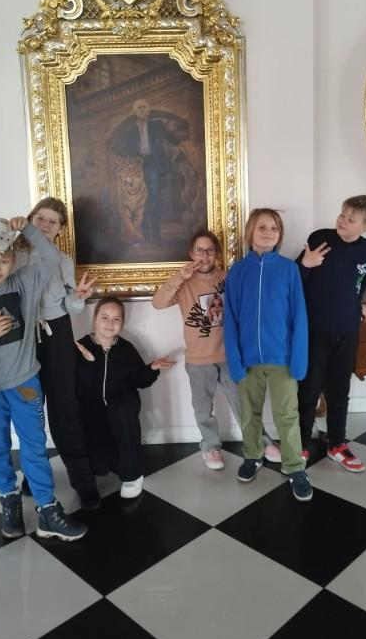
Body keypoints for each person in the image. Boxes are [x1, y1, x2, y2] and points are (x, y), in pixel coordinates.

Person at [0, 217, 87, 542]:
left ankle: (47, 509)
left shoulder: (24, 283)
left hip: (26, 383)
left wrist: (27, 229)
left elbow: (51, 258)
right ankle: (9, 502)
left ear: (13, 259)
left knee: (34, 447)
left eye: (3, 260)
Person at [152, 230, 281, 471]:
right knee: (203, 408)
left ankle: (261, 440)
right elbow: (158, 303)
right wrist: (179, 277)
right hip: (198, 359)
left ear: (217, 254)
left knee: (244, 403)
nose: (205, 255)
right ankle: (210, 445)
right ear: (191, 253)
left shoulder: (228, 277)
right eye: (199, 250)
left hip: (230, 355)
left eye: (210, 250)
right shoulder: (184, 282)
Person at [15, 197, 100, 511]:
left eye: (52, 221)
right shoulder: (14, 254)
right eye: (40, 218)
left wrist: (78, 298)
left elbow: (70, 307)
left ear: (61, 229)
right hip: (23, 336)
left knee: (64, 408)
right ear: (30, 219)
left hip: (57, 333)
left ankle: (83, 481)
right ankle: (33, 474)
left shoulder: (63, 261)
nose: (45, 225)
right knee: (30, 408)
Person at [224, 209, 312, 502]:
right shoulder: (238, 271)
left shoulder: (288, 270)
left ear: (280, 234)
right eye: (262, 227)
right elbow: (231, 319)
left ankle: (295, 467)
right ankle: (252, 455)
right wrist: (235, 361)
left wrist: (298, 360)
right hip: (248, 361)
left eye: (274, 228)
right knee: (249, 414)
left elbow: (299, 316)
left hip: (282, 360)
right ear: (250, 232)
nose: (268, 232)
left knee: (287, 415)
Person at [297, 195, 366, 472]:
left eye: (351, 219)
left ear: (365, 226)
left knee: (340, 390)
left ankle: (337, 444)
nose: (342, 220)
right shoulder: (320, 238)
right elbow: (295, 280)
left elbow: (360, 284)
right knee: (309, 389)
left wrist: (357, 305)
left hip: (347, 330)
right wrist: (304, 265)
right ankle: (301, 443)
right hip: (315, 330)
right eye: (342, 214)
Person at [75, 298, 175, 498]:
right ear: (95, 319)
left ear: (122, 322)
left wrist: (152, 368)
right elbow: (75, 385)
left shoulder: (125, 348)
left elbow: (139, 380)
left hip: (122, 403)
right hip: (92, 407)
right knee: (99, 466)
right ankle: (108, 461)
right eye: (104, 317)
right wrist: (88, 362)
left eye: (116, 319)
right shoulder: (81, 346)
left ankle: (132, 474)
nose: (110, 323)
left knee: (122, 411)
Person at [107, 99, 187, 242]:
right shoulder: (130, 131)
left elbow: (173, 138)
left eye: (144, 107)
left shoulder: (157, 125)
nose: (142, 109)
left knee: (154, 196)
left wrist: (183, 142)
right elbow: (120, 147)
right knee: (140, 201)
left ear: (148, 111)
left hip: (153, 163)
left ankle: (155, 233)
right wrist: (126, 158)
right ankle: (143, 233)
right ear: (134, 112)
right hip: (137, 165)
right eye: (139, 107)